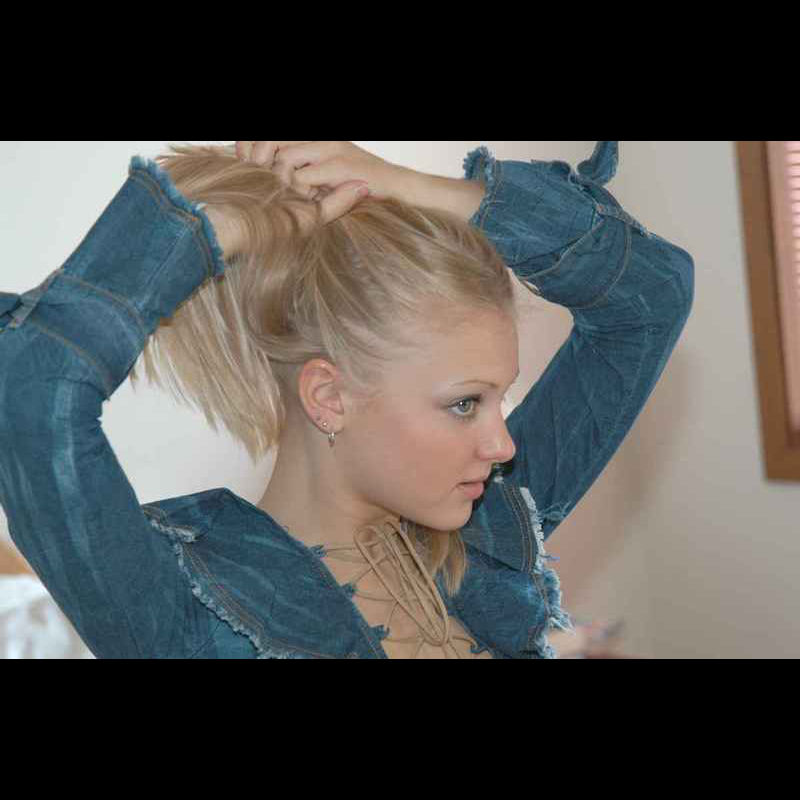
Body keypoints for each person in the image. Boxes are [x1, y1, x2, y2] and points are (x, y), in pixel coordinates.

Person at [0, 141, 694, 659]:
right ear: (329, 397)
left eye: (499, 399)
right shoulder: (184, 609)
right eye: (464, 404)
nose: (502, 443)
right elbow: (31, 395)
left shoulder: (492, 532)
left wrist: (408, 188)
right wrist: (209, 233)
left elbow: (649, 298)